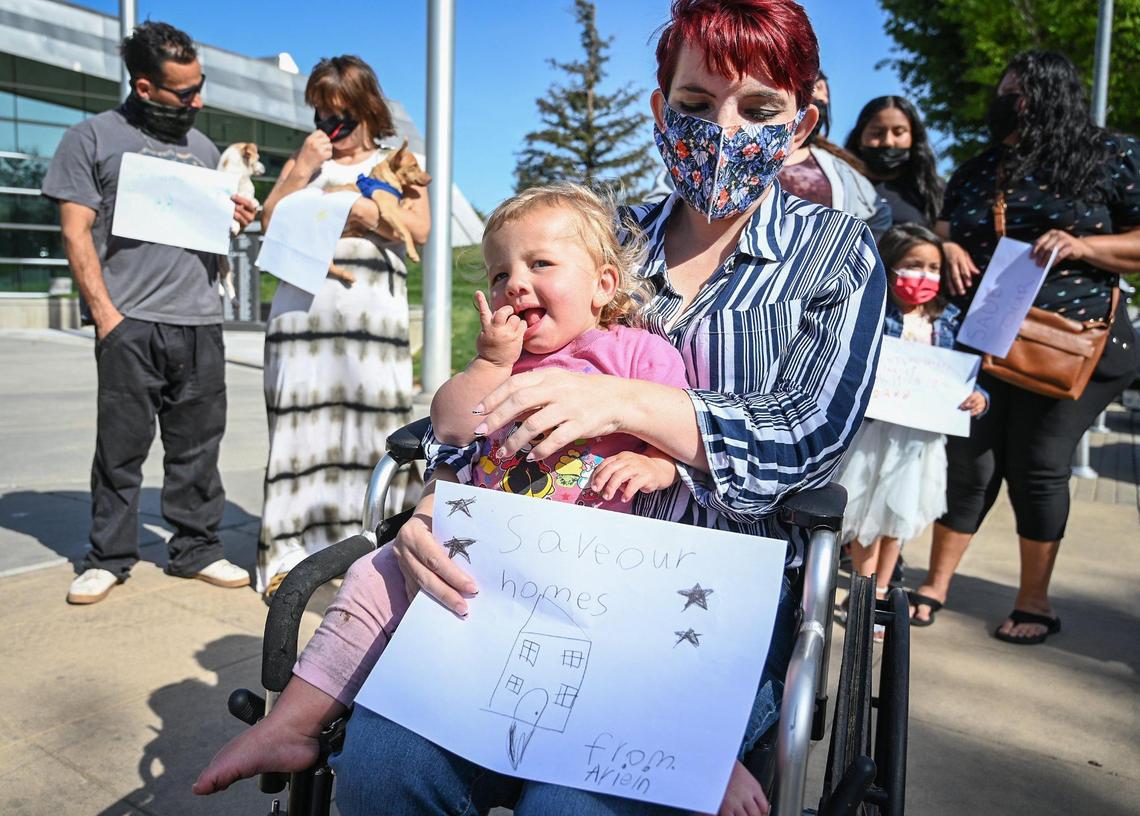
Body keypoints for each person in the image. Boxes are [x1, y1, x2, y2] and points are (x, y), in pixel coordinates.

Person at [198, 1, 886, 812]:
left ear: (799, 124)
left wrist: (618, 403)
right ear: (662, 113)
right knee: (385, 771)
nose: (726, 131)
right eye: (697, 106)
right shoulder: (593, 236)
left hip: (689, 617)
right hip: (515, 580)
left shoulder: (837, 254)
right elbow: (492, 390)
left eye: (760, 109)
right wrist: (442, 504)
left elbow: (809, 436)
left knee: (571, 804)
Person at [909, 50, 1140, 642]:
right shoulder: (983, 167)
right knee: (971, 464)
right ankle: (936, 583)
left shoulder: (1111, 157)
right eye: (1004, 91)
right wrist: (949, 247)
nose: (1007, 102)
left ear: (1053, 97)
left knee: (1039, 466)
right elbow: (945, 227)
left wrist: (1086, 247)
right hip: (985, 344)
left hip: (1074, 346)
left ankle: (1035, 601)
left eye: (1020, 92)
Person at [42, 21, 258, 605]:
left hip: (199, 321)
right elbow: (75, 232)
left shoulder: (205, 150)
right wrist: (106, 317)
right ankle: (109, 557)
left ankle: (196, 549)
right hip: (129, 321)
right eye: (185, 93)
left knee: (197, 448)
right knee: (120, 450)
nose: (198, 101)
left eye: (200, 87)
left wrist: (231, 218)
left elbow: (206, 236)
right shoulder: (90, 138)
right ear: (144, 87)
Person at [256, 56, 429, 598]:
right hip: (301, 316)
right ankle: (289, 552)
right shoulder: (307, 159)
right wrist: (303, 167)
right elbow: (268, 222)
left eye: (342, 116)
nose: (331, 126)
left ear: (366, 110)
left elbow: (419, 229)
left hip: (368, 322)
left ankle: (374, 543)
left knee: (373, 425)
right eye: (321, 113)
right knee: (299, 428)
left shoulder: (397, 160)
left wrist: (358, 210)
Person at [833, 225, 986, 638]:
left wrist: (978, 397)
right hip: (875, 432)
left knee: (897, 516)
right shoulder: (870, 311)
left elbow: (968, 375)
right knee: (867, 514)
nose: (924, 276)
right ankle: (863, 592)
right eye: (913, 265)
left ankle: (882, 589)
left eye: (933, 267)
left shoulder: (947, 318)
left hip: (919, 439)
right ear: (889, 265)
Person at [777, 71, 892, 238]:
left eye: (819, 87)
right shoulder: (752, 157)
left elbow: (877, 216)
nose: (813, 93)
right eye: (805, 86)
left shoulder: (841, 170)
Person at [844, 96, 944, 228]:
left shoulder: (934, 191)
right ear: (859, 138)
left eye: (898, 133)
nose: (888, 142)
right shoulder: (839, 185)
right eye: (877, 133)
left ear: (914, 138)